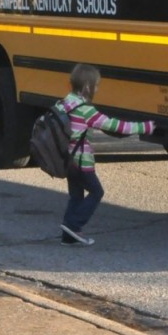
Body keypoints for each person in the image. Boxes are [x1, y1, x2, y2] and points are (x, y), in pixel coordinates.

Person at [56, 63, 154, 246]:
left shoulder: (65, 102)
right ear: (87, 87)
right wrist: (145, 127)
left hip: (67, 158)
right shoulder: (86, 110)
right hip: (81, 161)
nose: (97, 89)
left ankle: (68, 236)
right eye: (97, 85)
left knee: (76, 196)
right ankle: (73, 224)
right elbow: (114, 126)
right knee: (96, 192)